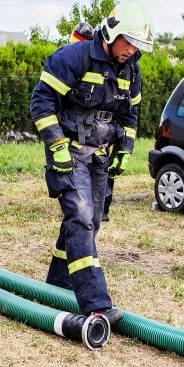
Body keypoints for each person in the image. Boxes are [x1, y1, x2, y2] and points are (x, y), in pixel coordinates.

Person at [30, 0, 153, 324]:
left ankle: (56, 285)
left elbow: (130, 113)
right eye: (129, 42)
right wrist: (55, 144)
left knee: (90, 221)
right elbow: (41, 102)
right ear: (112, 33)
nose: (132, 50)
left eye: (138, 44)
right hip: (68, 150)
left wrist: (125, 147)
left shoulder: (131, 68)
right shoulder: (73, 57)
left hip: (98, 154)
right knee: (82, 216)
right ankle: (96, 303)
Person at [67, 21, 115, 222]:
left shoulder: (96, 54)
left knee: (103, 171)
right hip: (77, 133)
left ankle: (102, 209)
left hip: (100, 134)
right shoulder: (73, 54)